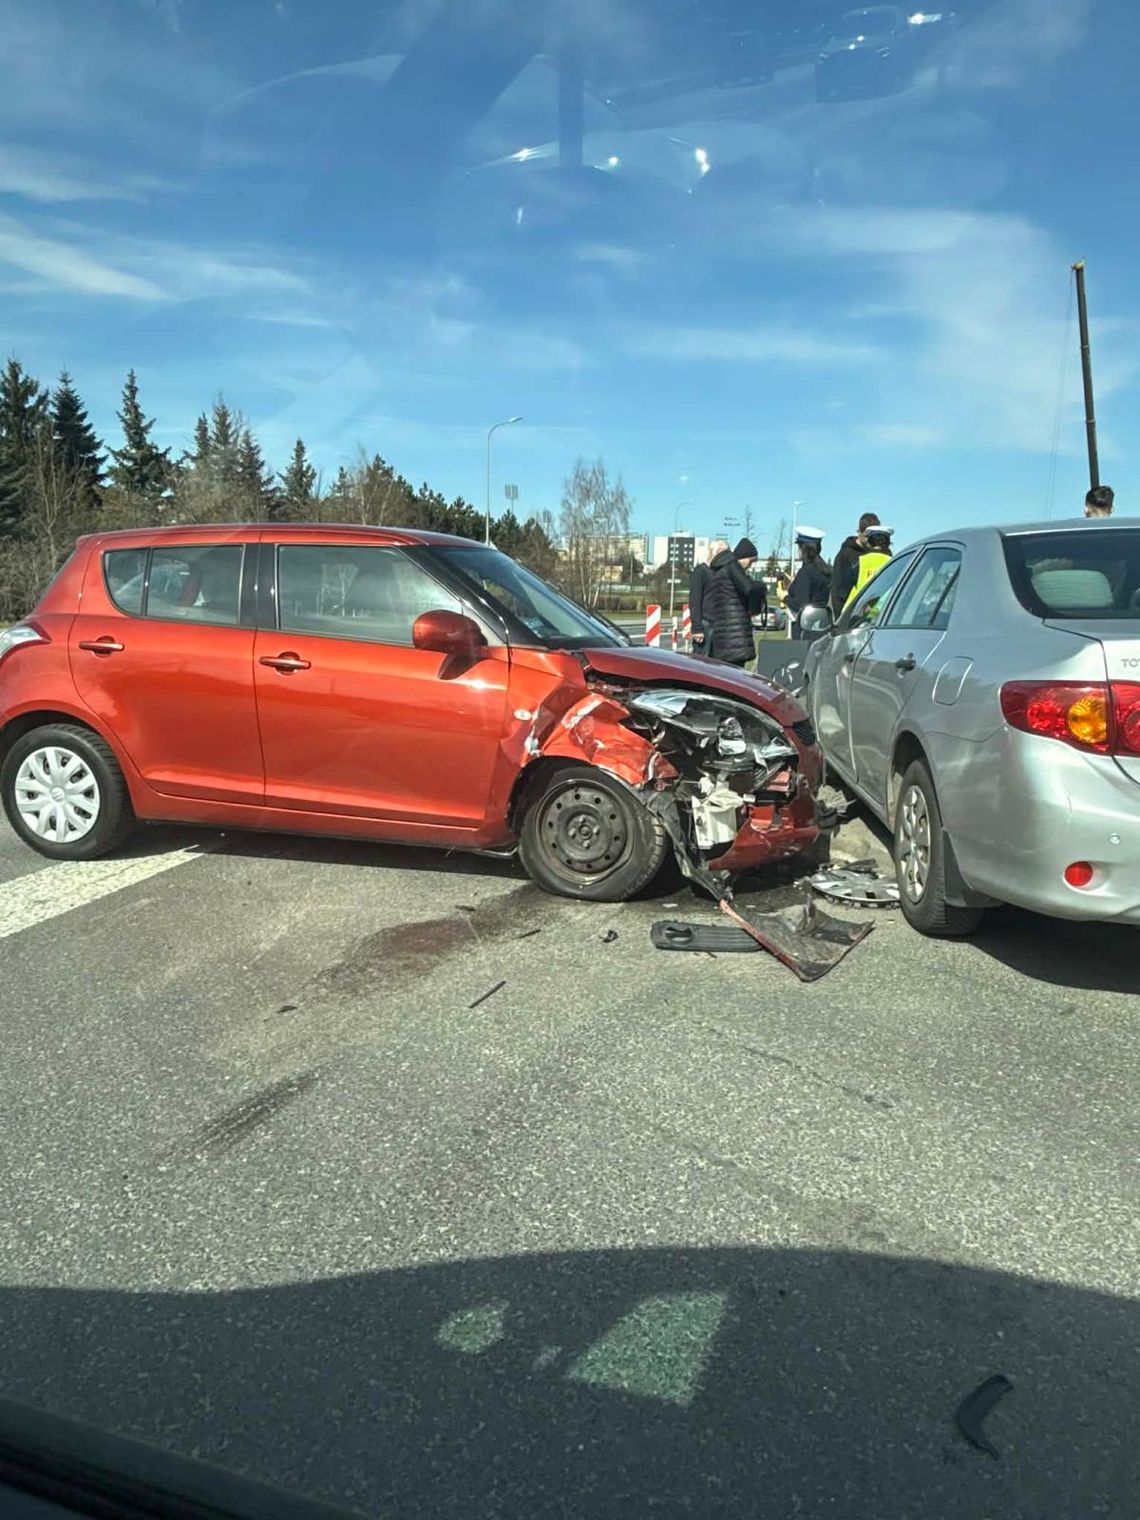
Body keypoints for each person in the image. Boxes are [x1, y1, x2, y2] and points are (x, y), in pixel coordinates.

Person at [706, 537, 761, 668]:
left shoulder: (721, 569)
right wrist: (760, 589)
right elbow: (748, 588)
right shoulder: (733, 566)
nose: (751, 565)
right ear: (744, 556)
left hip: (723, 629)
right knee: (736, 672)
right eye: (751, 561)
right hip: (734, 631)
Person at [830, 512, 881, 615]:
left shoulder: (876, 554)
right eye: (866, 536)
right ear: (859, 532)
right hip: (851, 616)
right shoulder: (845, 556)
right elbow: (838, 592)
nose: (868, 541)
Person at [785, 527, 831, 640]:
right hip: (821, 627)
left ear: (803, 549)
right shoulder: (824, 571)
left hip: (804, 630)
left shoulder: (806, 572)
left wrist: (784, 597)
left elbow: (800, 604)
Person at [688, 539, 727, 657]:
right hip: (705, 625)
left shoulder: (723, 573)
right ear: (713, 552)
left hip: (720, 626)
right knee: (701, 664)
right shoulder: (701, 571)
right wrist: (697, 627)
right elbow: (695, 600)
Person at [843, 524, 895, 611]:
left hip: (859, 617)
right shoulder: (895, 564)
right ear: (888, 543)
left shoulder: (859, 562)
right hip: (886, 615)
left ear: (869, 543)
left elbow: (843, 591)